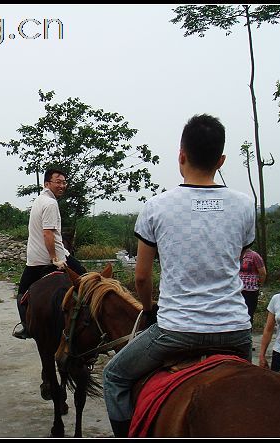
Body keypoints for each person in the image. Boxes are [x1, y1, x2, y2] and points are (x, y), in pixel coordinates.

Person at [102, 114, 255, 437]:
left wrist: (148, 308)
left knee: (114, 376)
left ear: (181, 155)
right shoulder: (244, 205)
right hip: (236, 332)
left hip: (177, 331)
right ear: (222, 160)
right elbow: (236, 260)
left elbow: (142, 277)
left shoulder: (157, 206)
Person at [13, 168, 87, 340]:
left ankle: (26, 326)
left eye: (64, 182)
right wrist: (56, 259)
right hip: (53, 258)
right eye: (58, 182)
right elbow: (48, 234)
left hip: (34, 259)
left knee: (22, 292)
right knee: (87, 279)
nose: (62, 185)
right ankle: (90, 322)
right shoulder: (51, 204)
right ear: (47, 183)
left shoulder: (40, 200)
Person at [240, 248, 267, 325]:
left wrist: (259, 284)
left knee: (248, 313)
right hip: (238, 289)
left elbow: (263, 273)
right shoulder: (237, 254)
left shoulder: (254, 256)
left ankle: (248, 332)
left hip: (250, 290)